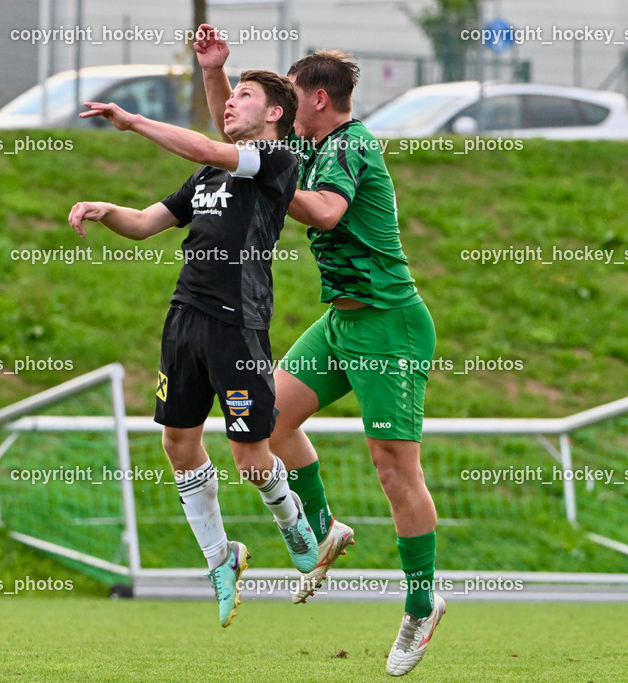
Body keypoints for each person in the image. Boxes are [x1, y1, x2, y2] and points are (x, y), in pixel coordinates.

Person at [196, 26, 443, 676]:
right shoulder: (308, 143)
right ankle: (326, 525)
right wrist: (215, 73)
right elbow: (240, 137)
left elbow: (328, 213)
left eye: (293, 98)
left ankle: (422, 601)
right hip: (343, 323)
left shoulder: (352, 146)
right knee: (271, 421)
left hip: (389, 324)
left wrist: (272, 178)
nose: (283, 106)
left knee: (395, 470)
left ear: (320, 101)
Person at [68, 70, 315, 628]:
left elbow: (207, 144)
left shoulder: (276, 162)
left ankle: (292, 521)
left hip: (238, 326)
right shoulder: (206, 176)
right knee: (178, 444)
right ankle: (220, 558)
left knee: (251, 459)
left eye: (244, 96)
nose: (231, 102)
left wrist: (130, 122)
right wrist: (106, 210)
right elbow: (146, 223)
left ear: (275, 113)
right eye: (229, 95)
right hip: (184, 322)